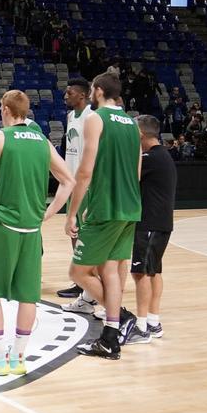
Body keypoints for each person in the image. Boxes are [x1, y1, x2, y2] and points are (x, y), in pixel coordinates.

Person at [0, 90, 75, 376]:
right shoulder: (42, 141)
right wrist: (48, 213)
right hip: (31, 228)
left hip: (3, 224)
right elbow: (68, 180)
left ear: (5, 109)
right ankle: (17, 358)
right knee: (29, 295)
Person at [65, 72, 142, 360]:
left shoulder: (95, 119)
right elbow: (136, 172)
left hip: (105, 206)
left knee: (79, 272)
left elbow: (85, 171)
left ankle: (120, 316)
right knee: (110, 271)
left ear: (97, 91)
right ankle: (110, 339)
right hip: (131, 205)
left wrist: (72, 212)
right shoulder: (133, 125)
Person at [124, 116, 176, 344]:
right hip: (161, 223)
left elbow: (127, 177)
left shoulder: (149, 157)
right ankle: (154, 322)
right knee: (153, 271)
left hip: (150, 223)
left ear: (141, 135)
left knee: (140, 272)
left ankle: (142, 326)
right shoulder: (161, 155)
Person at [57, 78, 94, 299]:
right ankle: (81, 280)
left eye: (69, 92)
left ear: (82, 95)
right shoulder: (71, 116)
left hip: (87, 185)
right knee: (74, 231)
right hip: (71, 182)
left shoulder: (92, 117)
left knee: (87, 234)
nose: (65, 96)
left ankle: (91, 281)